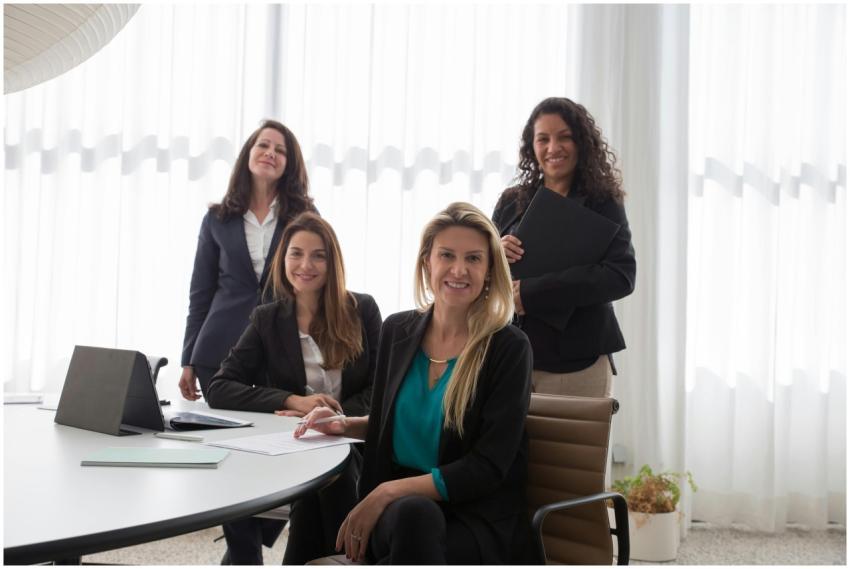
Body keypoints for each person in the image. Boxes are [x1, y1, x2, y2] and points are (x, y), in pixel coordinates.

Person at [295, 202, 536, 564]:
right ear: (428, 262)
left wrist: (387, 493)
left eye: (473, 258)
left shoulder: (508, 347)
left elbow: (487, 467)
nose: (459, 269)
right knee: (322, 487)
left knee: (414, 513)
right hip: (401, 510)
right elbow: (399, 423)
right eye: (447, 255)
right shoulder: (398, 330)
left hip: (470, 516)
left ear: (488, 270)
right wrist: (345, 426)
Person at [207, 212, 382, 564]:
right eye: (296, 253)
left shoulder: (361, 309)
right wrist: (294, 401)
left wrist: (336, 416)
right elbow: (220, 387)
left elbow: (383, 384)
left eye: (318, 255)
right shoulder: (268, 318)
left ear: (333, 262)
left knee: (334, 475)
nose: (306, 264)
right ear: (282, 259)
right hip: (297, 441)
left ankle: (347, 558)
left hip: (355, 438)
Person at [492, 97, 636, 398]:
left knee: (576, 448)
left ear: (582, 142)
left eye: (564, 137)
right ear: (531, 146)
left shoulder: (603, 203)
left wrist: (530, 294)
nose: (553, 148)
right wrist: (492, 256)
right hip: (510, 360)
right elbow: (479, 279)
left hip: (578, 361)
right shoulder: (509, 201)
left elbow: (620, 276)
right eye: (542, 139)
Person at [179, 119, 315, 401]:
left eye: (280, 150)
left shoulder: (305, 216)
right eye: (263, 145)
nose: (270, 152)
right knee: (221, 439)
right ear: (248, 154)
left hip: (281, 347)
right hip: (218, 348)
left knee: (277, 433)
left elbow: (317, 284)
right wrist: (188, 358)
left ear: (289, 164)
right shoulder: (217, 219)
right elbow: (200, 293)